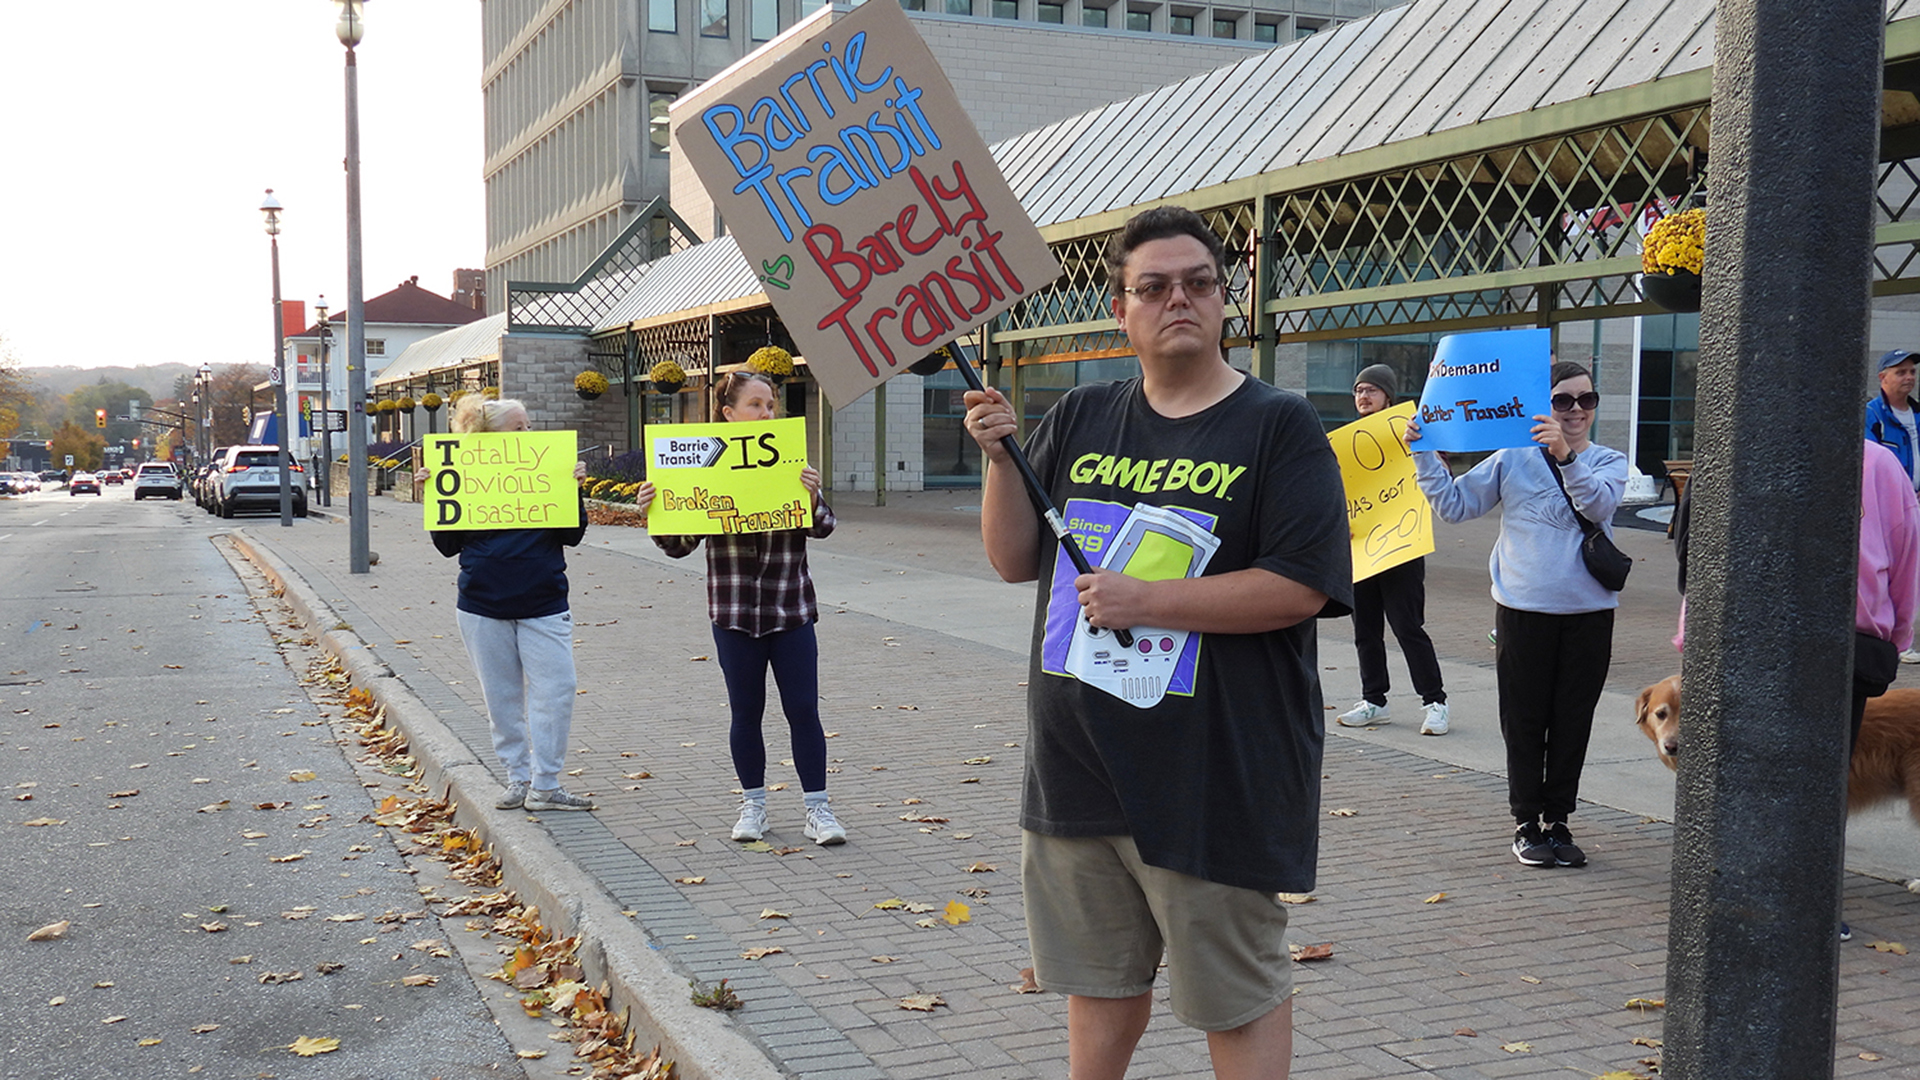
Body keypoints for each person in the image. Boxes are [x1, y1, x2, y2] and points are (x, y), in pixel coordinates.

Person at [965, 205, 1352, 1080]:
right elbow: (1013, 558)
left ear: (1226, 299)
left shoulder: (1278, 424)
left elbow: (1301, 584)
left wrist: (1153, 599)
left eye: (1198, 283)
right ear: (1122, 308)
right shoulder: (1079, 416)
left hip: (1215, 776)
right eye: (1154, 286)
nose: (1178, 298)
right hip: (1077, 768)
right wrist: (999, 459)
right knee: (1097, 988)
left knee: (1236, 996)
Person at [1407, 361, 1625, 868]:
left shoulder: (1610, 461)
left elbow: (1597, 507)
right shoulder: (1512, 458)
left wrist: (1567, 457)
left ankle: (1560, 820)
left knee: (1573, 721)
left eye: (1585, 401)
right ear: (1540, 404)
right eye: (1561, 400)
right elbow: (1456, 507)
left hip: (1590, 613)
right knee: (1524, 721)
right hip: (1524, 610)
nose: (1574, 411)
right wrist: (1423, 453)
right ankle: (1527, 822)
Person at [635, 371, 844, 846]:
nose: (767, 413)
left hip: (790, 609)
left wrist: (810, 496)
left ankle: (819, 809)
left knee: (804, 710)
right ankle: (754, 804)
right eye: (755, 404)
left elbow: (824, 526)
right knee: (745, 712)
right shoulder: (701, 470)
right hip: (733, 612)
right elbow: (678, 545)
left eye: (771, 405)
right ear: (728, 414)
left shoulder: (787, 462)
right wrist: (656, 510)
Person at [428, 394, 595, 812]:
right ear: (490, 438)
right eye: (519, 428)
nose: (528, 435)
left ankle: (546, 783)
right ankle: (518, 778)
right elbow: (447, 546)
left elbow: (572, 536)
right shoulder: (463, 475)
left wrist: (572, 489)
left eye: (529, 427)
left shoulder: (549, 473)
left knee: (556, 691)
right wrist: (434, 494)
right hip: (483, 604)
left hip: (544, 600)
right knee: (501, 698)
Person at [1336, 363, 1450, 735]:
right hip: (1362, 550)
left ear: (1388, 396)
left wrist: (1422, 446)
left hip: (1402, 546)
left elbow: (1439, 477)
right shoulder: (1346, 443)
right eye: (1358, 391)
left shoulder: (1413, 431)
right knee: (1365, 630)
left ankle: (1435, 702)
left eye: (1371, 390)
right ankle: (1374, 700)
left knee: (1407, 626)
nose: (1364, 397)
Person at [1865, 348, 1920, 662]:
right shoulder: (1872, 416)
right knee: (1895, 571)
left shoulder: (1918, 414)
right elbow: (1869, 462)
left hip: (1915, 502)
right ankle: (1897, 637)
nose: (1909, 378)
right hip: (1888, 509)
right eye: (1901, 372)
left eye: (1912, 372)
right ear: (1882, 378)